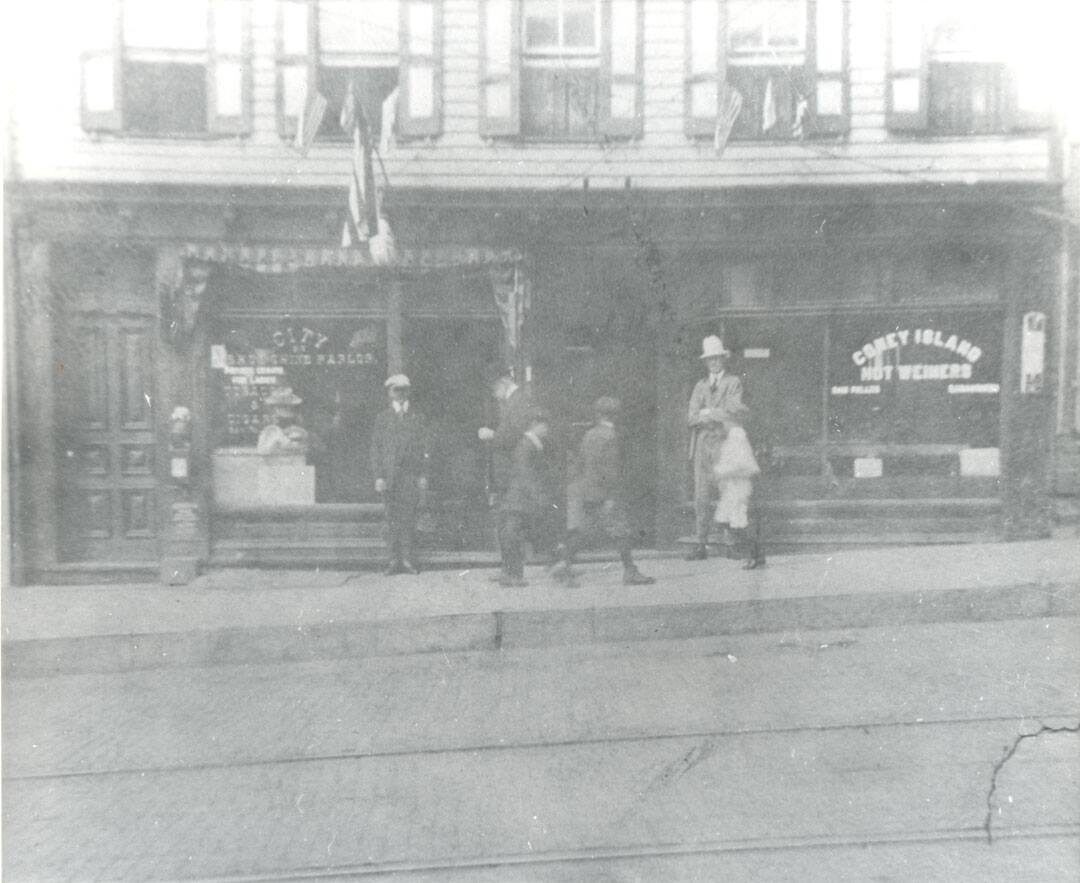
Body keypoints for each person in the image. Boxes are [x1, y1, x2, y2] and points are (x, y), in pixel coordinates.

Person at [550, 396, 655, 587]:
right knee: (621, 531)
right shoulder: (611, 436)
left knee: (582, 532)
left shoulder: (589, 434)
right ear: (616, 416)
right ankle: (630, 572)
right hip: (604, 492)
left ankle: (563, 565)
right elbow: (609, 469)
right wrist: (612, 495)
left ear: (598, 414)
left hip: (587, 490)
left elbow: (582, 462)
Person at [686, 335, 744, 560]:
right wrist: (712, 414)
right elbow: (690, 417)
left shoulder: (733, 383)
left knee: (726, 492)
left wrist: (707, 412)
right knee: (701, 495)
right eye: (710, 359)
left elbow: (733, 411)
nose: (714, 363)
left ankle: (731, 543)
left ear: (723, 359)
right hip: (702, 445)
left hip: (723, 443)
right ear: (706, 362)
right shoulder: (700, 386)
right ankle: (701, 543)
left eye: (717, 358)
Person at [370, 374, 430, 575]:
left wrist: (423, 474)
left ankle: (407, 559)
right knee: (391, 518)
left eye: (403, 390)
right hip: (390, 477)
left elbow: (425, 448)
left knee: (409, 518)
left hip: (410, 476)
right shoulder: (383, 418)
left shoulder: (418, 417)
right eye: (396, 390)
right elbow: (376, 449)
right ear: (389, 393)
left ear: (408, 392)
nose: (400, 395)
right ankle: (392, 560)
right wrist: (379, 476)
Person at [496, 408, 559, 587]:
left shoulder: (532, 444)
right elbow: (526, 474)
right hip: (520, 499)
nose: (547, 429)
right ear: (534, 425)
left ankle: (512, 573)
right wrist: (539, 497)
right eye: (544, 425)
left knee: (514, 535)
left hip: (521, 498)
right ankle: (513, 574)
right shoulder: (527, 445)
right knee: (513, 535)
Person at [712, 402, 765, 569]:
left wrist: (720, 471)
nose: (723, 426)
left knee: (738, 521)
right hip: (733, 484)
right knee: (729, 520)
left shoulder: (737, 436)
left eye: (725, 422)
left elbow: (742, 464)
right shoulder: (734, 436)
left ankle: (751, 555)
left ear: (732, 421)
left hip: (739, 484)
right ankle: (755, 554)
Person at [478, 367, 534, 501]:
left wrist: (492, 434)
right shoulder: (512, 400)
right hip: (510, 470)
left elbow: (515, 433)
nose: (494, 395)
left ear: (504, 382)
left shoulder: (518, 399)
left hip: (514, 469)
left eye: (494, 389)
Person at [256, 387, 310, 455]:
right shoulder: (270, 431)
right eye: (280, 407)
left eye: (290, 407)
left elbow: (305, 448)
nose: (288, 409)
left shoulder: (299, 430)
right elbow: (263, 450)